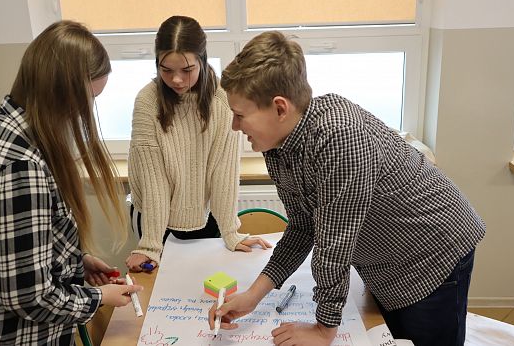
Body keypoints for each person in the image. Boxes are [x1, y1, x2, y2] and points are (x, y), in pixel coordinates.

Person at [208, 31, 486, 346]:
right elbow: (303, 227)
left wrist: (324, 329)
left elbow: (333, 246)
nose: (234, 126)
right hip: (386, 259)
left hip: (432, 253)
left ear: (280, 108)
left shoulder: (340, 137)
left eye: (240, 115)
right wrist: (253, 295)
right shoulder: (277, 146)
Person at [0, 20, 143, 345]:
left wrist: (72, 262)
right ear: (63, 94)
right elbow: (29, 297)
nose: (84, 115)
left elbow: (8, 249)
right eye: (87, 101)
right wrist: (99, 298)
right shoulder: (21, 167)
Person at [125, 16, 271, 272]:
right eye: (166, 70)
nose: (177, 80)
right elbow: (154, 180)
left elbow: (223, 172)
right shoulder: (147, 102)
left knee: (206, 284)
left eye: (187, 69)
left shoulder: (223, 99)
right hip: (153, 218)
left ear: (202, 60)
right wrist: (150, 245)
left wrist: (231, 232)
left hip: (205, 214)